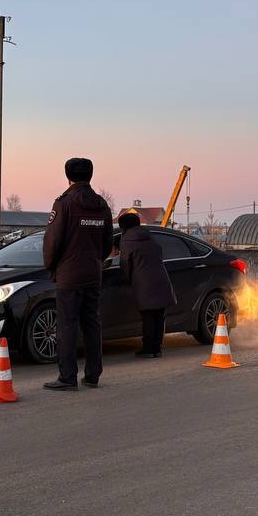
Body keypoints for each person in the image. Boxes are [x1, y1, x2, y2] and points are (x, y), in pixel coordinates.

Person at [42, 158, 113, 390]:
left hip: (69, 276)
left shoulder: (64, 203)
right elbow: (107, 242)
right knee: (92, 324)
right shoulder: (102, 204)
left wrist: (51, 267)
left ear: (68, 176)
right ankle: (93, 375)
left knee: (67, 325)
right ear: (91, 175)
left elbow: (52, 241)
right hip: (93, 274)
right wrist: (96, 261)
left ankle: (67, 377)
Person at [117, 210, 176, 359]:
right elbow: (159, 254)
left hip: (144, 283)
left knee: (148, 315)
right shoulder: (150, 237)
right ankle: (157, 348)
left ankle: (148, 348)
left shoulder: (127, 241)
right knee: (159, 315)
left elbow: (125, 264)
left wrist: (128, 279)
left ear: (124, 227)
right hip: (161, 279)